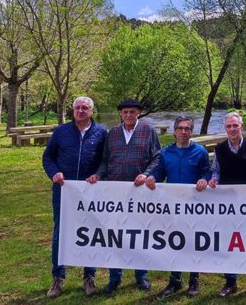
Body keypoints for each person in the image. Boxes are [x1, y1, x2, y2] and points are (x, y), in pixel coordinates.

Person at [86, 98, 160, 296]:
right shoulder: (113, 134)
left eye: (132, 112)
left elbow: (157, 157)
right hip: (115, 194)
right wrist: (99, 175)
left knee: (140, 234)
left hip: (140, 192)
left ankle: (141, 276)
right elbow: (105, 160)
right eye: (125, 112)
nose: (129, 115)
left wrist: (146, 174)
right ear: (120, 114)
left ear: (138, 113)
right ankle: (114, 277)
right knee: (115, 235)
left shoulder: (148, 131)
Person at [42, 96, 107, 298]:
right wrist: (54, 173)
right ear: (73, 110)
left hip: (90, 193)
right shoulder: (61, 132)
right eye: (77, 107)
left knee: (91, 233)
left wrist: (99, 174)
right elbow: (48, 157)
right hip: (64, 191)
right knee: (60, 234)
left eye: (85, 108)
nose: (80, 111)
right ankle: (58, 278)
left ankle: (89, 276)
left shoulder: (101, 133)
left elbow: (105, 160)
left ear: (91, 111)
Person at [145, 115, 210, 297]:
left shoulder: (200, 152)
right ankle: (175, 280)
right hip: (173, 205)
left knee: (193, 242)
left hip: (194, 205)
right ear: (174, 131)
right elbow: (160, 172)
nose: (183, 132)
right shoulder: (166, 152)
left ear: (191, 131)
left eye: (187, 129)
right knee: (174, 241)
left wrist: (204, 180)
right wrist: (152, 178)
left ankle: (193, 280)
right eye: (180, 128)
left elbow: (207, 172)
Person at [208, 111, 246, 299]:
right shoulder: (220, 148)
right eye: (228, 126)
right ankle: (230, 282)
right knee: (228, 242)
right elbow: (215, 171)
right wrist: (213, 180)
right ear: (225, 128)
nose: (232, 129)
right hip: (228, 203)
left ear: (242, 126)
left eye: (235, 126)